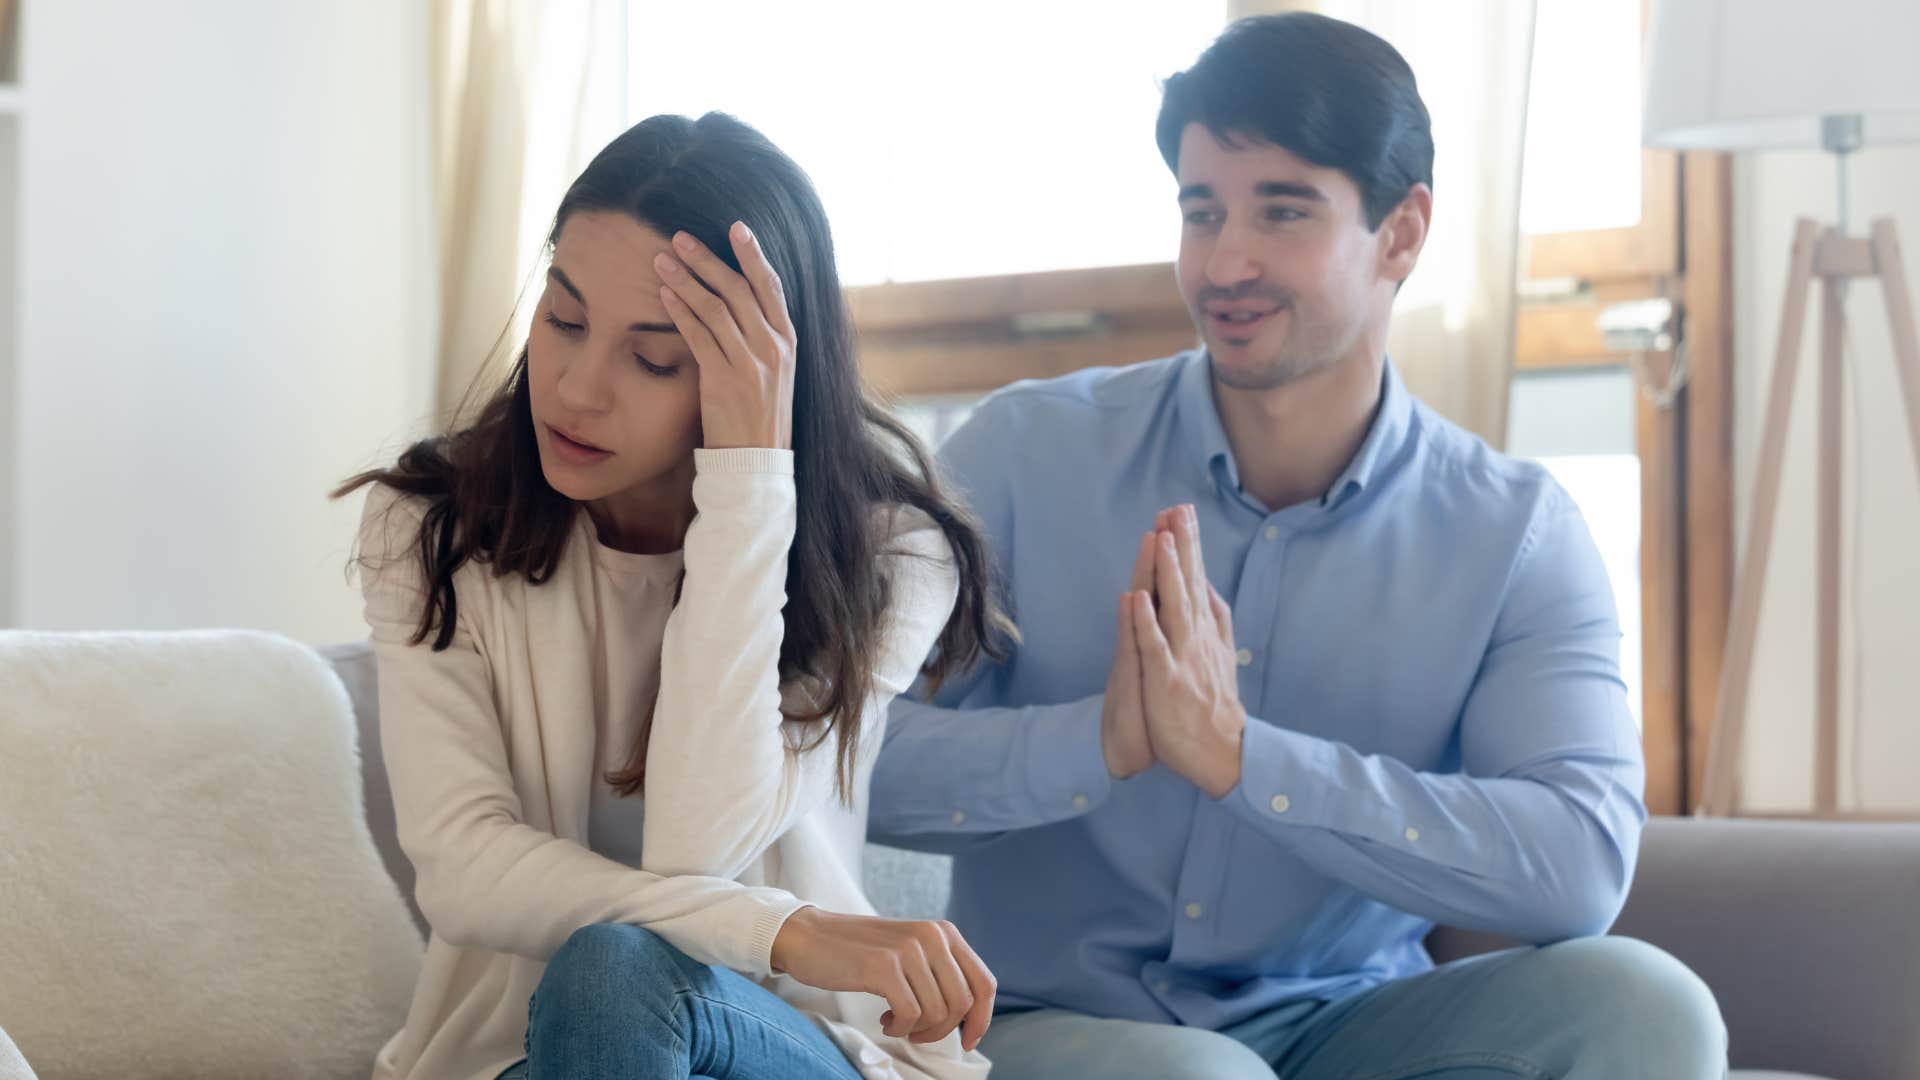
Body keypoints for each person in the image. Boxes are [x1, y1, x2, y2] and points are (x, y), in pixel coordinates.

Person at [870, 14, 1728, 1079]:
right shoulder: (1022, 452)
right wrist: (1097, 745)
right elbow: (838, 761)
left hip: (1351, 1024)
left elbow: (1577, 863)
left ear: (1402, 234)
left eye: (1283, 211)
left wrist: (1244, 761)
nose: (1227, 261)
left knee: (1653, 1009)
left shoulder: (1514, 533)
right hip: (1049, 1020)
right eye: (1203, 211)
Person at [339, 111, 1004, 1080]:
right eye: (563, 319)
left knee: (619, 971)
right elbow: (464, 866)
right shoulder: (433, 530)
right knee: (606, 986)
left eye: (654, 358)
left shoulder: (892, 554)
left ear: (767, 375)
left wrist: (745, 479)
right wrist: (785, 930)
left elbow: (702, 841)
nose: (574, 388)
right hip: (522, 1060)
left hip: (798, 1047)